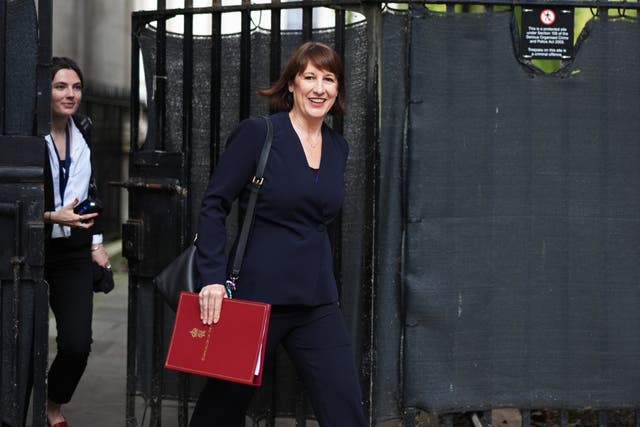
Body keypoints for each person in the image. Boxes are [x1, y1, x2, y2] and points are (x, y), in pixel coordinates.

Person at [191, 41, 367, 426]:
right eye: (309, 77)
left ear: (337, 90)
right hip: (254, 300)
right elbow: (213, 205)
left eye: (329, 78)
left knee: (346, 411)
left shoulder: (339, 147)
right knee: (218, 414)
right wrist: (212, 280)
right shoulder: (260, 134)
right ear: (291, 84)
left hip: (316, 301)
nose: (319, 87)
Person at [42, 57, 111, 427]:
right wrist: (52, 216)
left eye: (76, 87)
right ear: (44, 90)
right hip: (30, 246)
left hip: (72, 248)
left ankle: (52, 404)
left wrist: (97, 244)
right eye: (60, 86)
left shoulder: (83, 127)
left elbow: (92, 188)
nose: (70, 95)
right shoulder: (26, 132)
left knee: (76, 344)